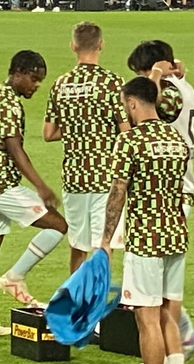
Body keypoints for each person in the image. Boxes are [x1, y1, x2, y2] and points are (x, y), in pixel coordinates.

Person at [99, 77, 191, 364]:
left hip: (145, 238)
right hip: (176, 235)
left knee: (146, 317)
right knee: (168, 311)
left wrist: (106, 240)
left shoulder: (129, 142)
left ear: (133, 103)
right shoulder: (176, 138)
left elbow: (118, 193)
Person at [0, 50, 68, 336]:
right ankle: (15, 276)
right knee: (58, 225)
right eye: (34, 79)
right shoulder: (10, 104)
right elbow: (15, 149)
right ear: (20, 72)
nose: (36, 86)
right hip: (1, 185)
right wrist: (40, 185)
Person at [39, 22, 128, 282]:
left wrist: (79, 129)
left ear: (73, 46)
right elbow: (125, 130)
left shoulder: (61, 84)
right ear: (101, 45)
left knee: (77, 244)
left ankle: (75, 301)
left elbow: (48, 133)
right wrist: (99, 130)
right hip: (105, 177)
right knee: (104, 244)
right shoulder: (113, 83)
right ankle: (96, 304)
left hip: (75, 177)